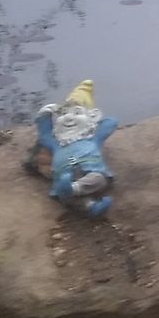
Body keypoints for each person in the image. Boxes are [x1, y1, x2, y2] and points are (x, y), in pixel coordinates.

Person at [25, 79, 118, 218]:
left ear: (91, 116)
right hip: (64, 177)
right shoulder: (56, 143)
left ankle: (74, 189)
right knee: (68, 198)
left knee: (99, 179)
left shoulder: (93, 138)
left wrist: (94, 122)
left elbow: (111, 123)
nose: (68, 117)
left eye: (76, 113)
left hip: (91, 173)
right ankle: (91, 208)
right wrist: (44, 114)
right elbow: (44, 134)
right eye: (63, 114)